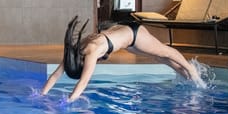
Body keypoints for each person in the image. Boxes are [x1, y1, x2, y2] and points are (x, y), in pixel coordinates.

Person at [41, 16, 205, 101]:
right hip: (125, 36)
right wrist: (42, 95)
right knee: (158, 57)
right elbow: (55, 75)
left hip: (134, 35)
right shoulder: (74, 53)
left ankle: (191, 70)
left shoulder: (91, 51)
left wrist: (70, 101)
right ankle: (187, 77)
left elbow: (83, 83)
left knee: (165, 52)